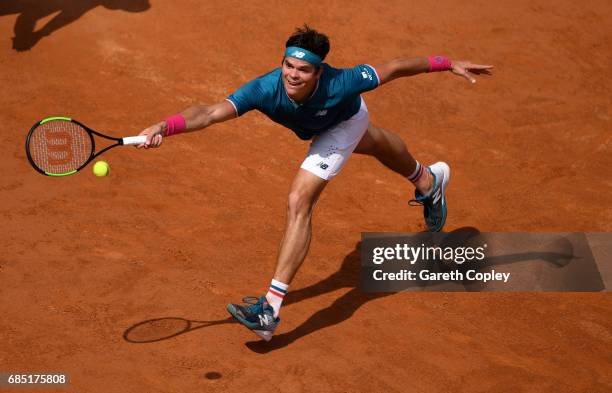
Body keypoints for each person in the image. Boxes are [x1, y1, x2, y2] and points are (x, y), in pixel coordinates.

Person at [138, 25, 493, 341]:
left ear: (318, 72)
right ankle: (428, 179)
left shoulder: (344, 82)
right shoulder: (264, 88)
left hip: (343, 122)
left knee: (298, 200)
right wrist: (162, 127)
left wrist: (449, 63)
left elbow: (398, 67)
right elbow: (210, 112)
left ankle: (269, 310)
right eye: (288, 65)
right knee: (377, 143)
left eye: (303, 70)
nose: (292, 76)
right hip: (331, 126)